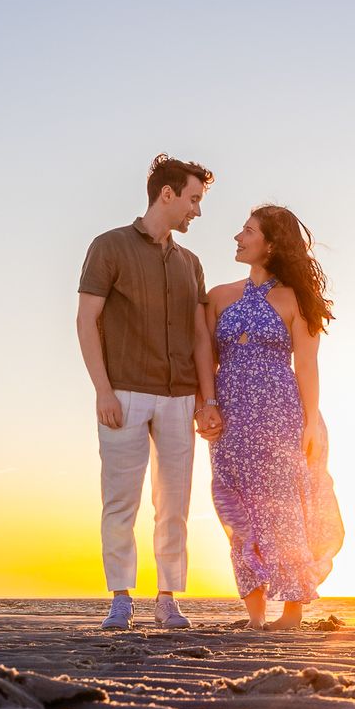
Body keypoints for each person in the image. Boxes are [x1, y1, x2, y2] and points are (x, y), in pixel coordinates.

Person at [76, 154, 224, 630]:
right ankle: (120, 597)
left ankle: (167, 599)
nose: (197, 211)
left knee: (174, 503)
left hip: (180, 397)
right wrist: (102, 390)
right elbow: (86, 320)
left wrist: (207, 399)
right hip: (123, 391)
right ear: (167, 194)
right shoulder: (109, 247)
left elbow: (202, 337)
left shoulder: (191, 263)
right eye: (193, 199)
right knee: (120, 500)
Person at [202, 205, 345, 629]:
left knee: (284, 510)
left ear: (271, 243)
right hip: (231, 418)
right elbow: (205, 360)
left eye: (247, 231)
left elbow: (307, 366)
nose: (238, 237)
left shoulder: (296, 300)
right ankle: (255, 614)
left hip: (280, 418)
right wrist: (205, 406)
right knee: (236, 508)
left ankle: (293, 612)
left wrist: (309, 423)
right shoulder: (218, 297)